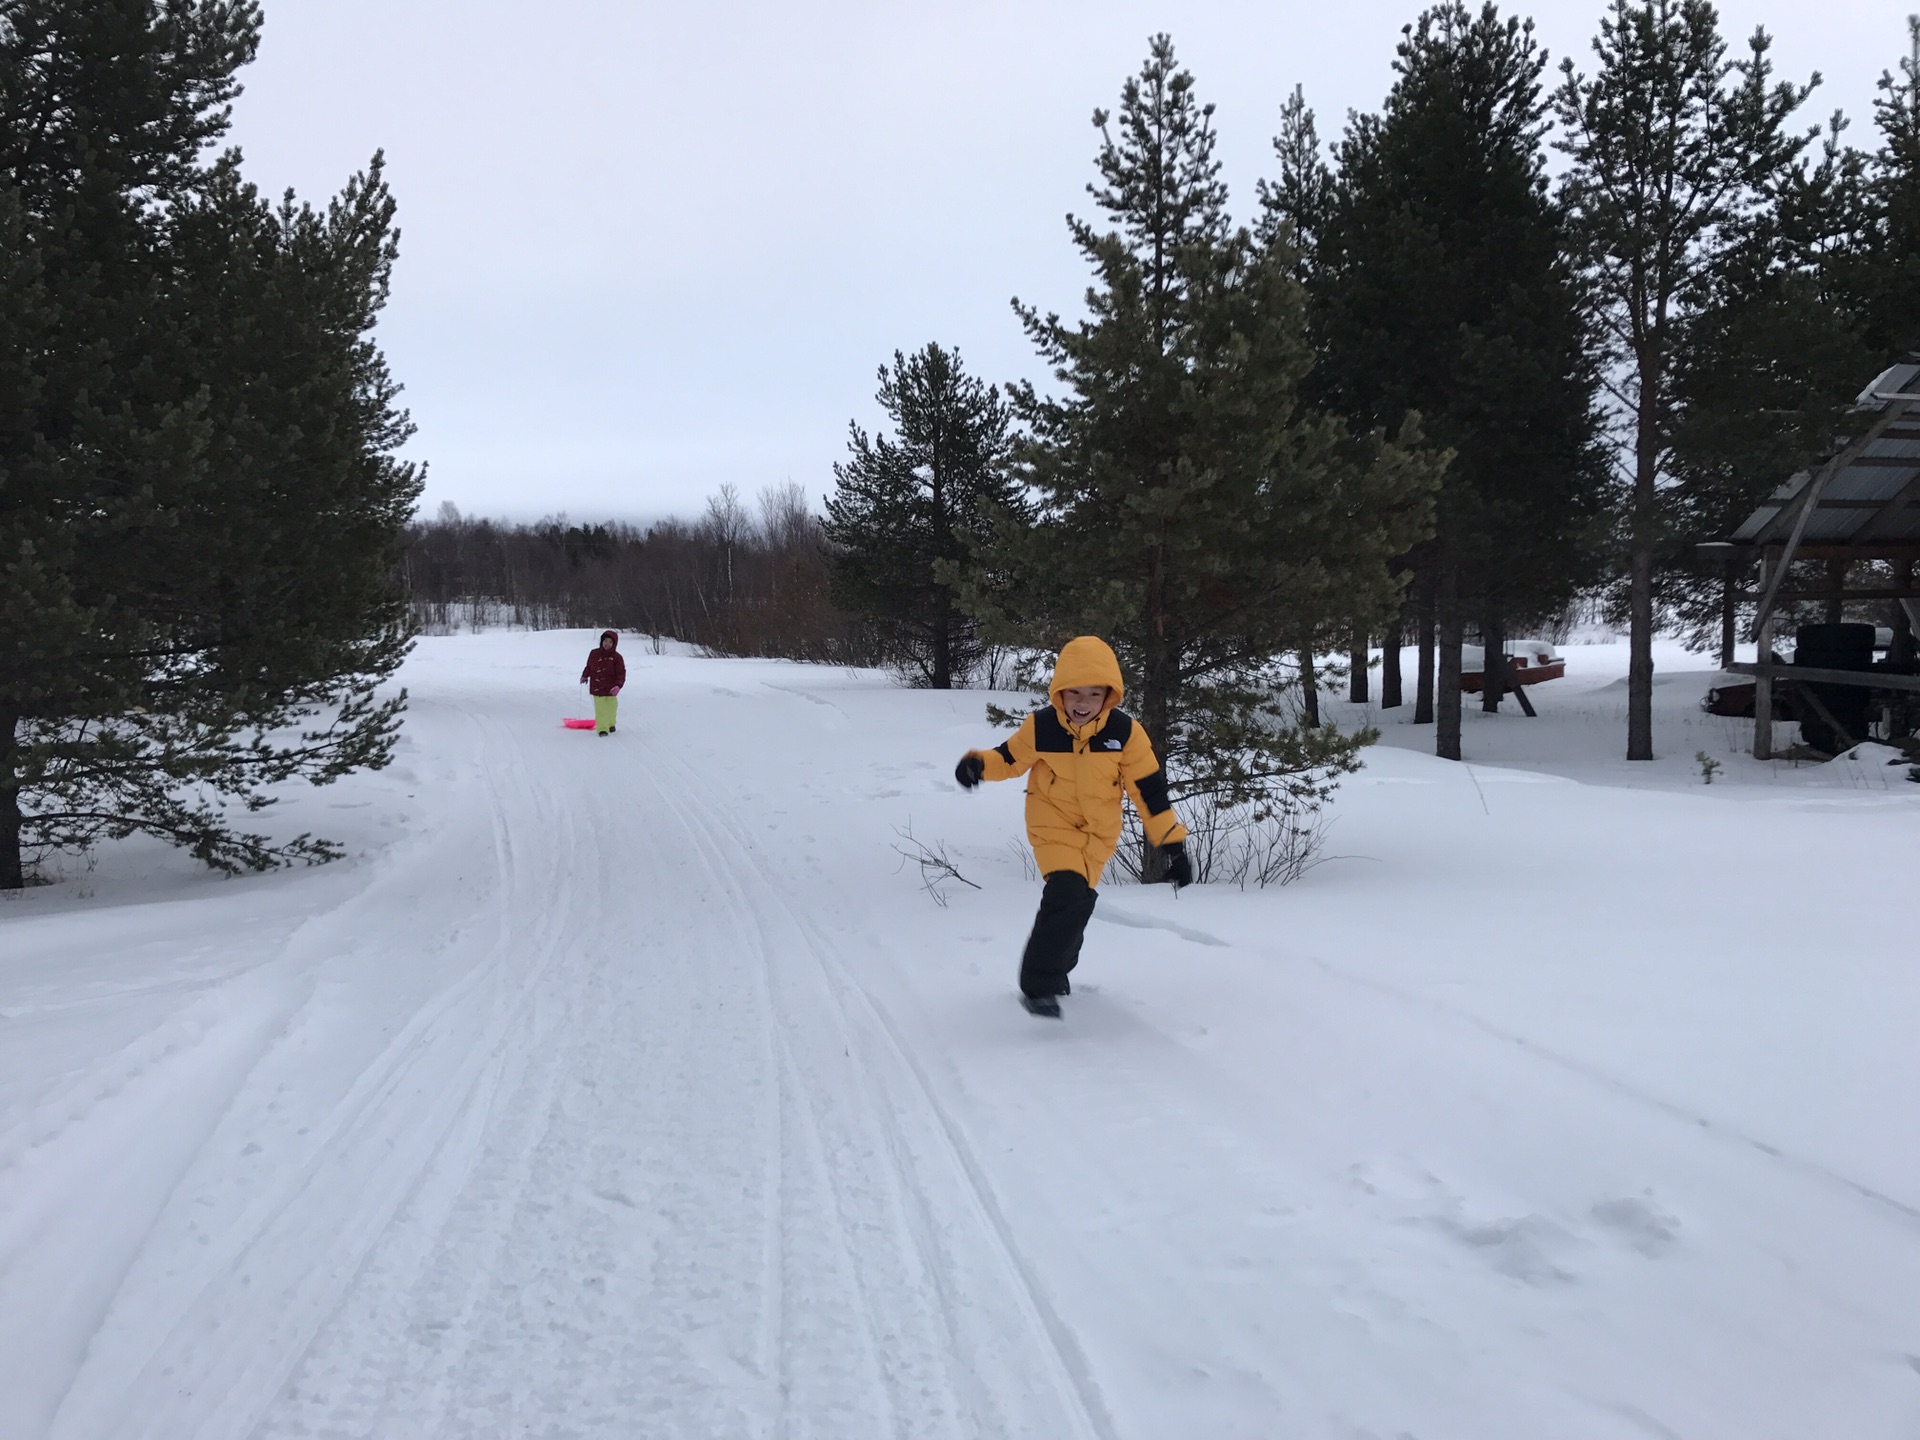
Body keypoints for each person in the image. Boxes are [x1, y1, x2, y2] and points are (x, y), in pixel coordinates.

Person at [954, 635, 1191, 1018]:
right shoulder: (1043, 727)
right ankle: (1038, 984)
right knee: (1065, 892)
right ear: (1058, 693)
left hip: (1099, 836)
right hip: (1052, 824)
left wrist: (1172, 844)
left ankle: (1059, 969)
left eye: (1094, 694)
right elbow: (1009, 758)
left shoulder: (1126, 735)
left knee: (1078, 902)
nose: (1082, 703)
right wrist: (978, 765)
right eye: (1074, 692)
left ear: (1109, 696)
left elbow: (1150, 792)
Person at [580, 629, 625, 735]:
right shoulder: (594, 653)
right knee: (601, 709)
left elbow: (621, 673)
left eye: (610, 642)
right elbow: (589, 667)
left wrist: (618, 685)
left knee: (612, 707)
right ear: (601, 641)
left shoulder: (617, 657)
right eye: (605, 641)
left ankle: (610, 724)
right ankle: (602, 728)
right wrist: (585, 676)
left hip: (611, 688)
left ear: (614, 644)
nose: (607, 644)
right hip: (598, 686)